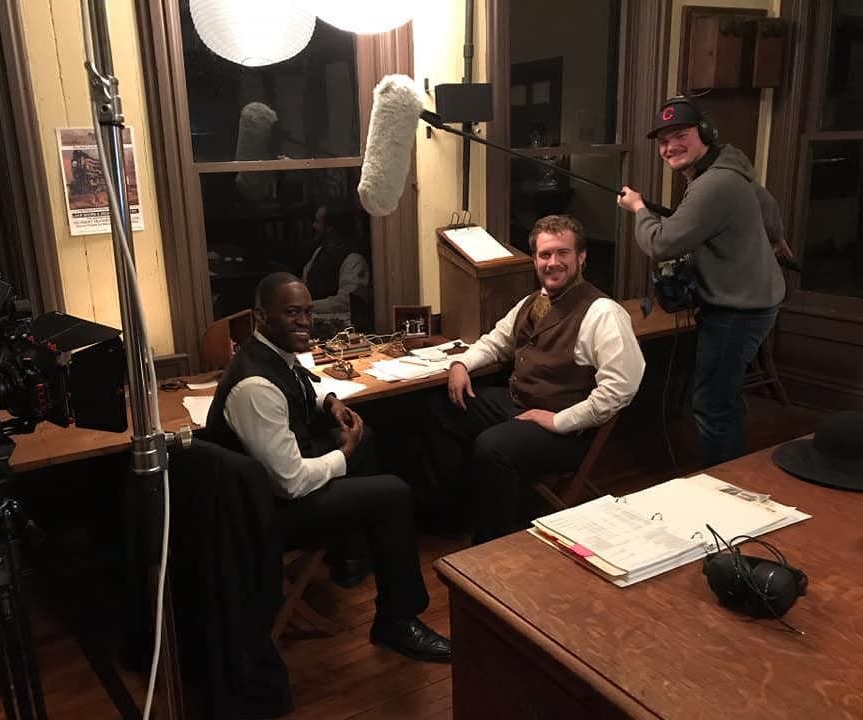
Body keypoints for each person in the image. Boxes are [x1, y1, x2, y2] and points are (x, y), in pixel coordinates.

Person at [204, 272, 450, 663]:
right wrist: (344, 455)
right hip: (265, 514)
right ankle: (397, 621)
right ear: (261, 316)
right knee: (393, 493)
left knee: (364, 435)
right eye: (291, 313)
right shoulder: (255, 387)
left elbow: (305, 382)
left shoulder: (271, 355)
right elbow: (291, 483)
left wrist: (330, 401)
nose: (304, 321)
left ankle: (351, 558)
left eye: (306, 312)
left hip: (276, 488)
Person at [425, 215, 645, 543]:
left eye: (562, 253)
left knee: (492, 447)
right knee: (439, 407)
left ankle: (491, 546)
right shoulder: (533, 302)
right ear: (535, 260)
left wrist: (559, 420)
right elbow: (496, 341)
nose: (552, 262)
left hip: (568, 431)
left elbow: (621, 388)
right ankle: (456, 514)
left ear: (581, 257)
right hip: (521, 406)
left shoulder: (603, 313)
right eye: (544, 255)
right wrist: (461, 365)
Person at [617, 97, 788, 467]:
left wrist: (639, 209)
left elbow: (661, 244)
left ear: (705, 134)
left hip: (737, 311)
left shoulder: (713, 185)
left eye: (680, 135)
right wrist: (775, 238)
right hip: (754, 302)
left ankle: (727, 485)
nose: (669, 147)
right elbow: (768, 206)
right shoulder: (732, 168)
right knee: (721, 396)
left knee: (713, 404)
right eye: (663, 141)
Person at [301, 204, 370, 333]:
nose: (313, 227)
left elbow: (345, 301)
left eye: (317, 222)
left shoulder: (353, 258)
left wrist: (307, 307)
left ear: (330, 228)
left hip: (338, 332)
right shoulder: (319, 252)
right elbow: (304, 283)